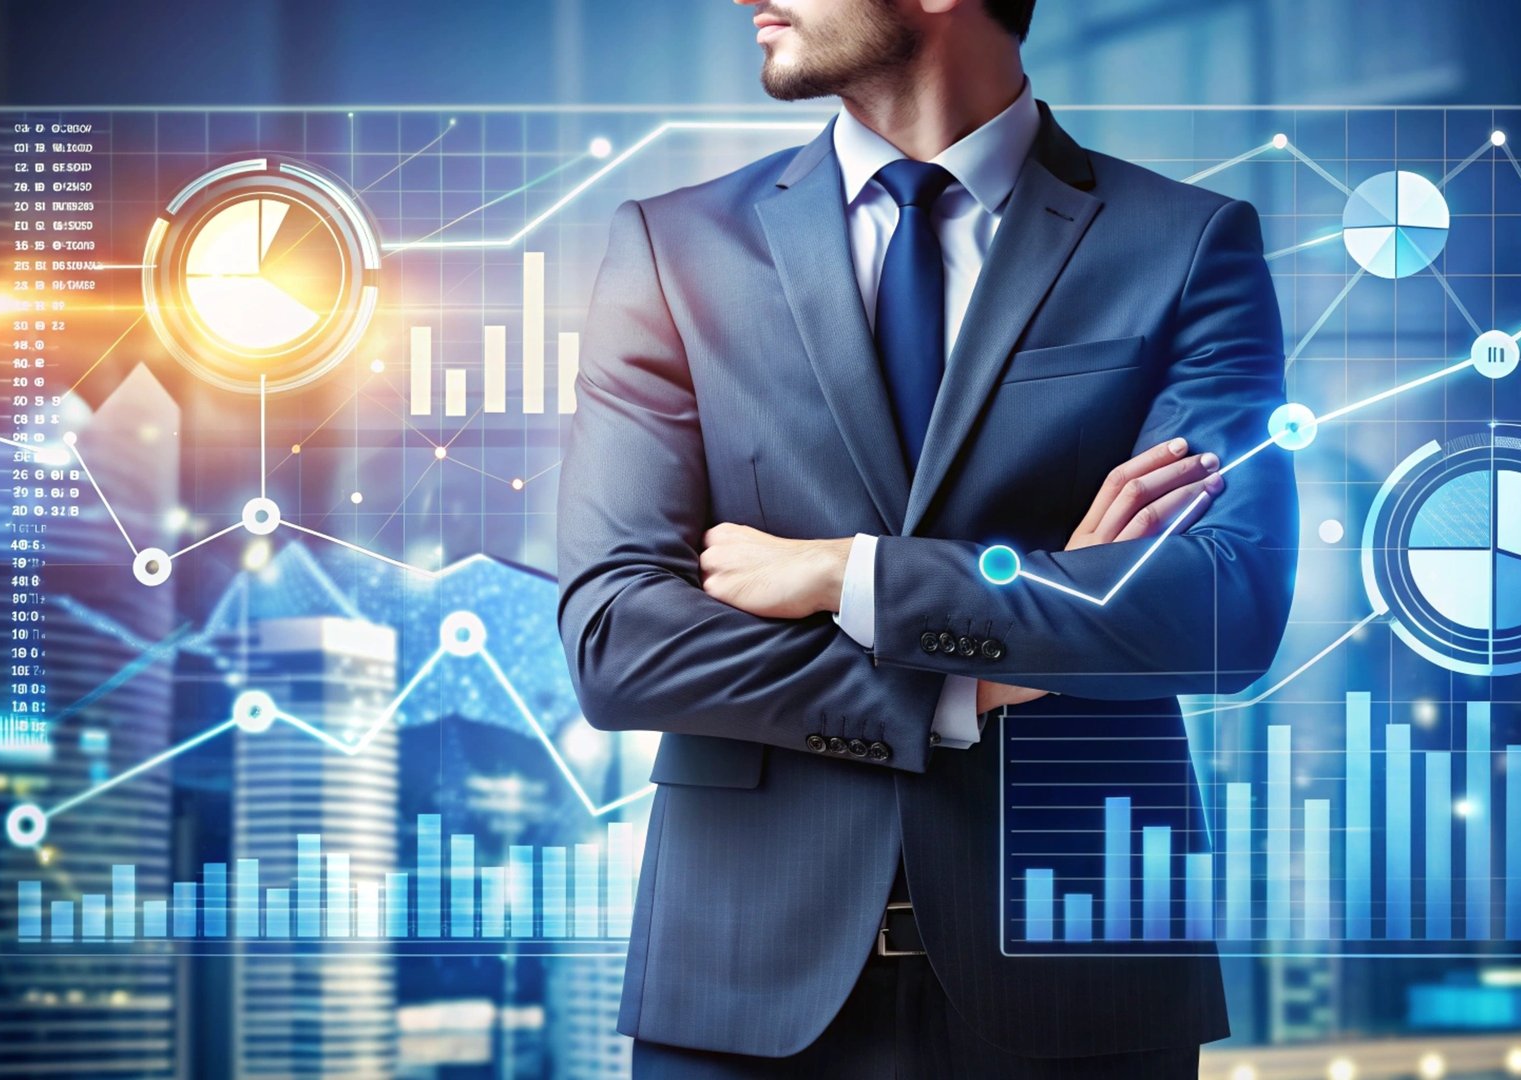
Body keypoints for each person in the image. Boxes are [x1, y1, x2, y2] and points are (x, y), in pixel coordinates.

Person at [555, 0, 1296, 1074]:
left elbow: (1222, 604)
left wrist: (849, 575)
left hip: (1080, 980)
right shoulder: (675, 250)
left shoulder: (1183, 245)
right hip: (740, 991)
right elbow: (618, 641)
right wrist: (982, 676)